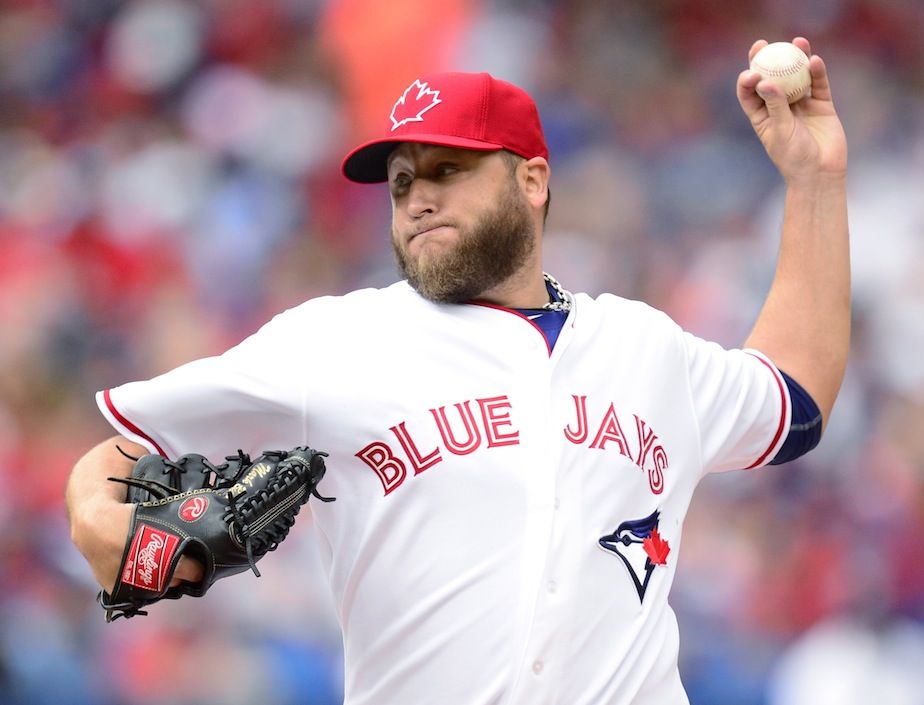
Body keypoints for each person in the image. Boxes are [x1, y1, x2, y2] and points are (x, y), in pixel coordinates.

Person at [66, 37, 849, 705]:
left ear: (533, 181)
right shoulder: (336, 341)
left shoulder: (644, 347)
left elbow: (797, 396)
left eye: (448, 171)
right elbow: (119, 447)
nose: (416, 199)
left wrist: (815, 181)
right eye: (402, 182)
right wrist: (110, 527)